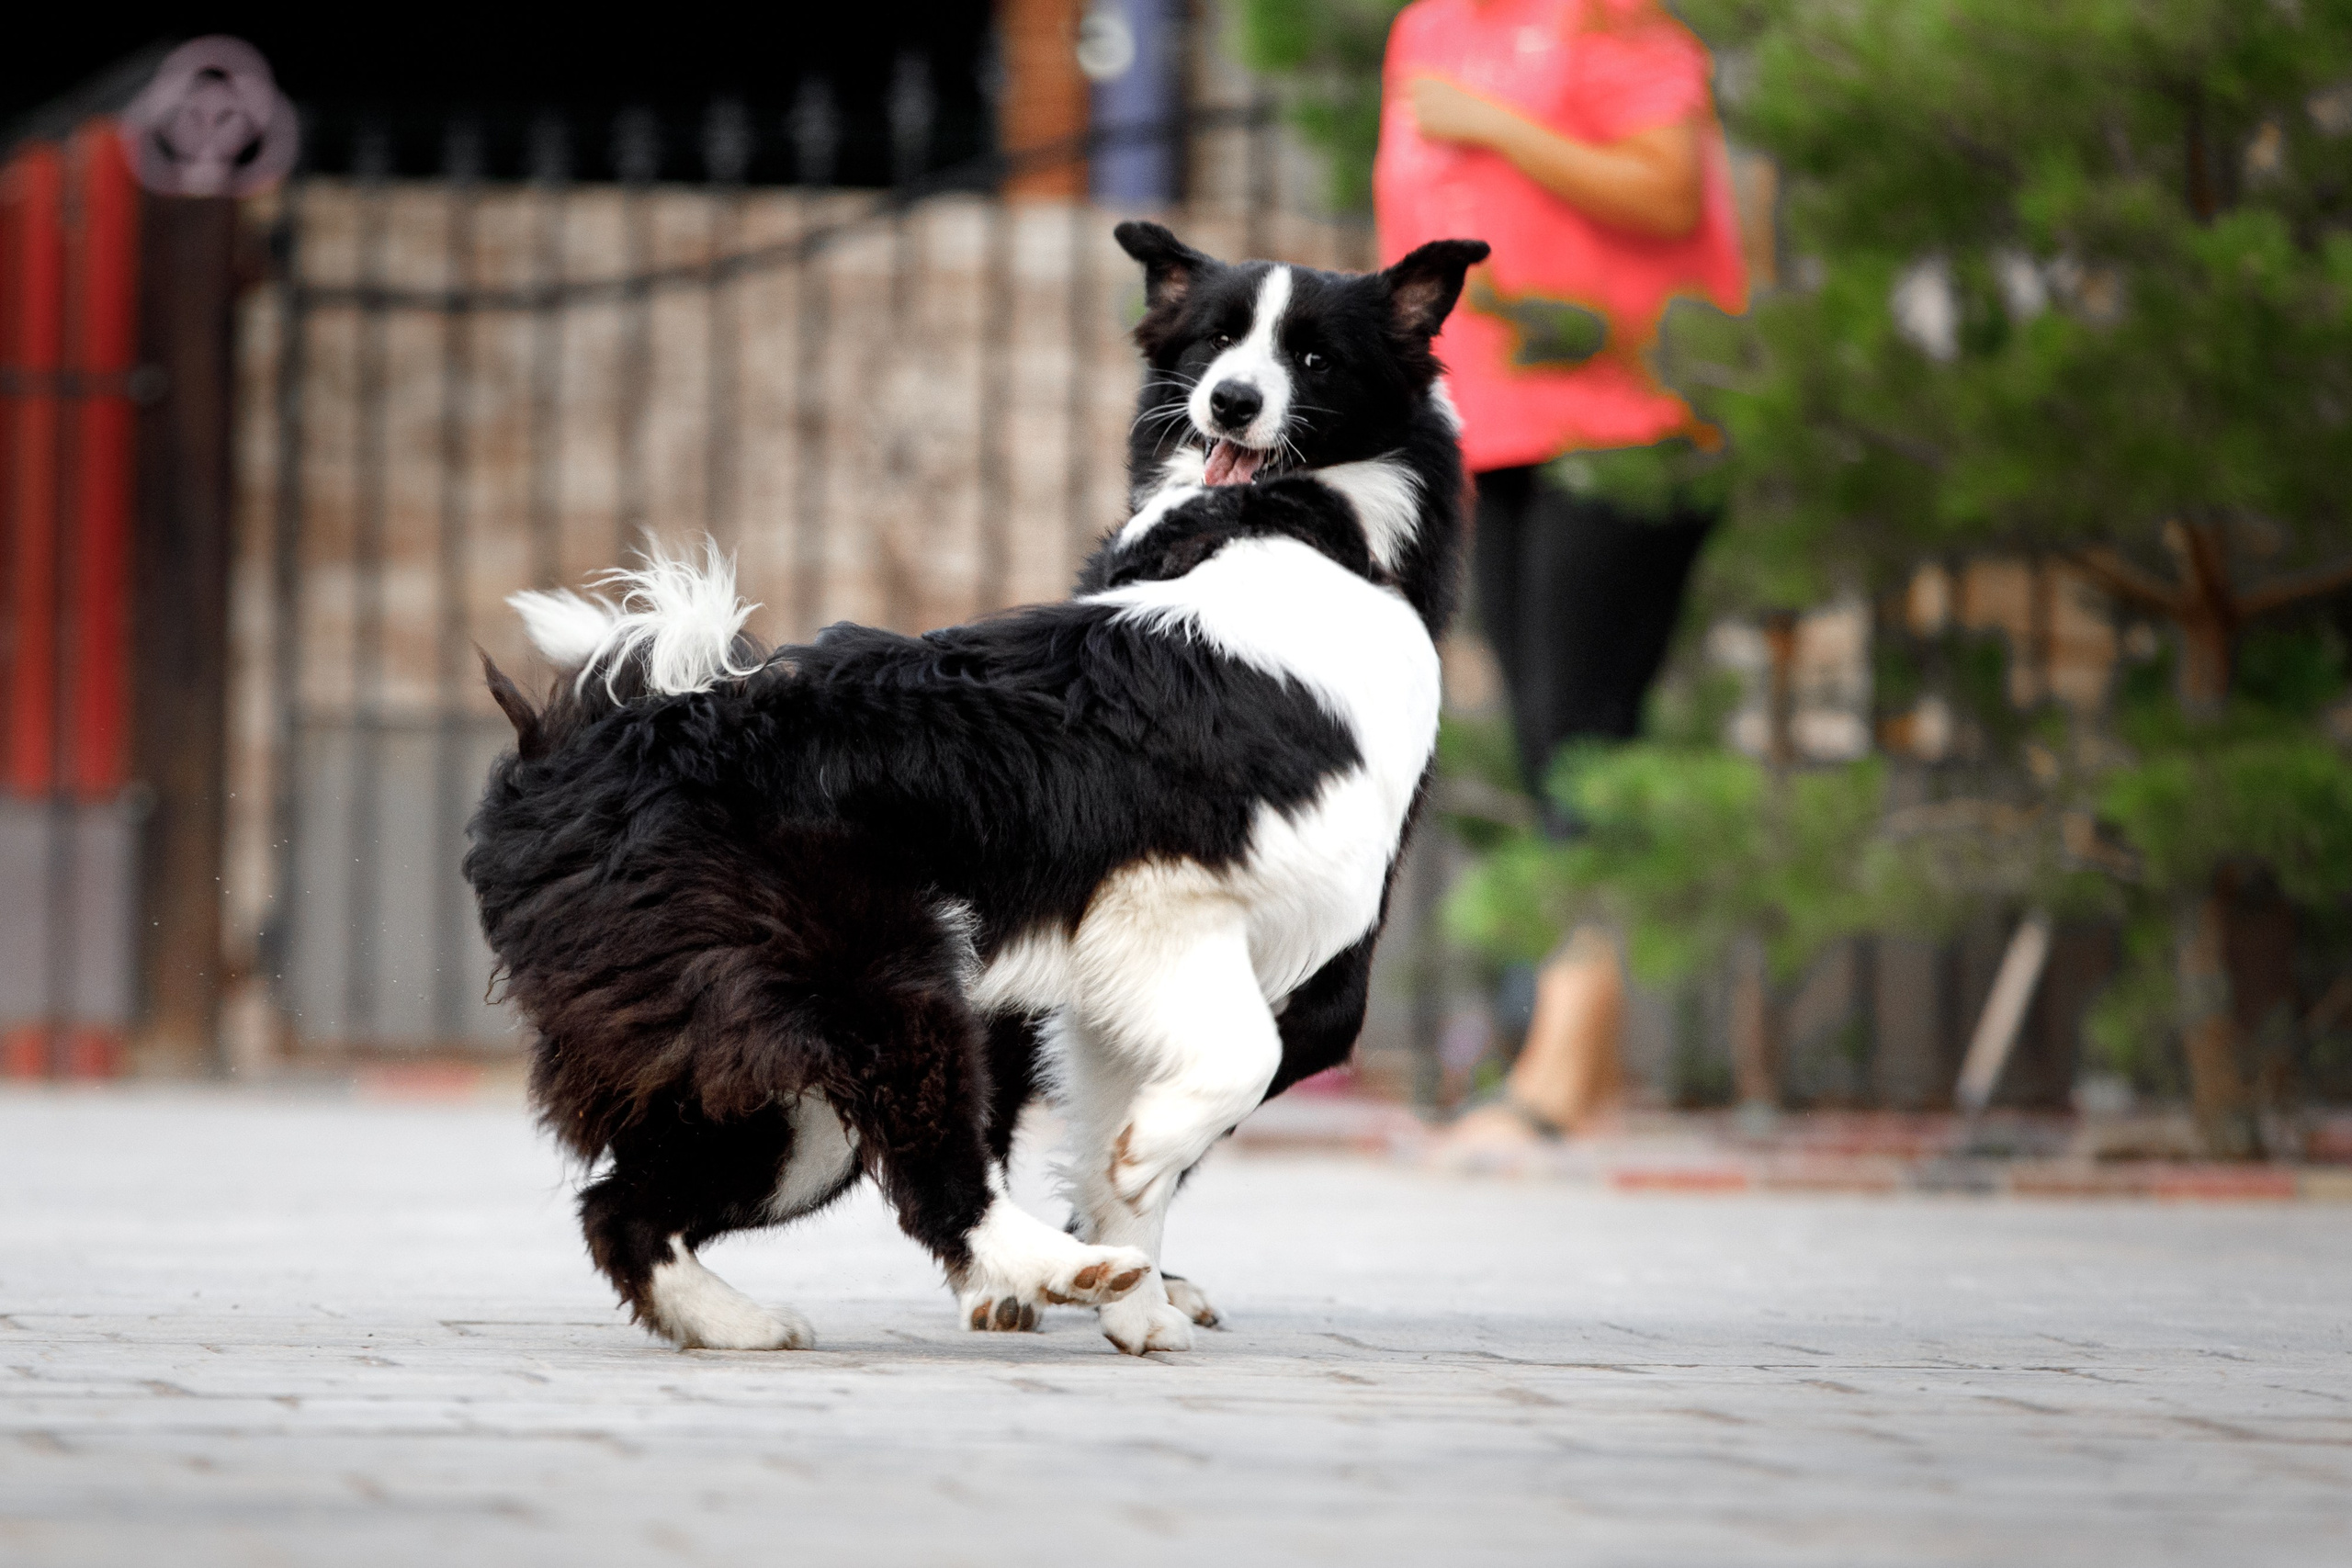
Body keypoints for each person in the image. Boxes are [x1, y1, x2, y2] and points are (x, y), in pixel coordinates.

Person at [1373, 0, 1747, 1141]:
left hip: (1633, 413)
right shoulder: (1427, 28)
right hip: (1495, 426)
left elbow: (1668, 192)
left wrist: (1496, 124)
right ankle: (1582, 1068)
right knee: (1549, 739)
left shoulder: (1611, 22)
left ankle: (1552, 1077)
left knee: (1583, 741)